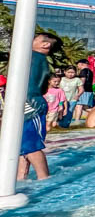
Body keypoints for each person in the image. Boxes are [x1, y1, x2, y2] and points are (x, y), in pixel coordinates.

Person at [18, 32, 59, 181]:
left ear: (45, 44)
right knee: (22, 145)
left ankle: (44, 178)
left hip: (31, 104)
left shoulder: (33, 56)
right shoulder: (40, 59)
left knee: (30, 144)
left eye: (34, 38)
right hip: (31, 102)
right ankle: (20, 178)